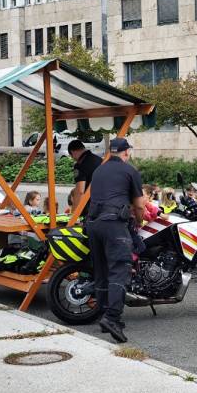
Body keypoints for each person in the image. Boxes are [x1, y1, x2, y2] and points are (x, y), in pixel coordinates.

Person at [86, 138, 147, 343]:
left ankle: (104, 315)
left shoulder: (99, 170)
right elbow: (139, 205)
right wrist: (139, 222)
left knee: (102, 270)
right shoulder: (130, 171)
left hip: (93, 224)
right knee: (119, 270)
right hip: (113, 225)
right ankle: (112, 318)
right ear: (126, 152)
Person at [68, 140, 104, 216]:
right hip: (105, 206)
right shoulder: (100, 160)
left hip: (90, 208)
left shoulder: (80, 165)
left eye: (71, 156)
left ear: (73, 152)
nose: (73, 159)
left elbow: (80, 191)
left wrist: (74, 214)